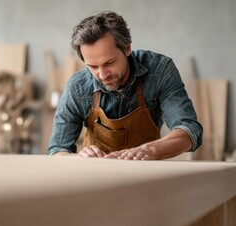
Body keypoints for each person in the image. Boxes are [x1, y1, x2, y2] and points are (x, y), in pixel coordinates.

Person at [47, 11, 203, 160]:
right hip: (94, 177)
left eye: (109, 63)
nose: (102, 75)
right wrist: (79, 158)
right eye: (93, 67)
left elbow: (190, 130)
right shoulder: (77, 86)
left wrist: (149, 150)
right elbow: (57, 150)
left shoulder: (160, 70)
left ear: (127, 48)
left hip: (145, 174)